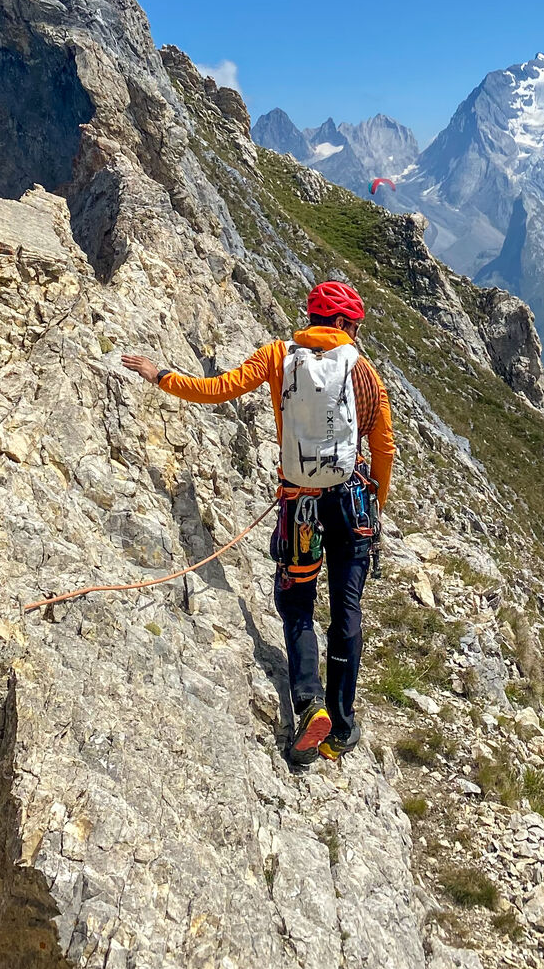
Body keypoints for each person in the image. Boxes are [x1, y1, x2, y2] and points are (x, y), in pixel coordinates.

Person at [122, 281, 394, 765]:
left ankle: (309, 704)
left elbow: (217, 389)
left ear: (311, 319)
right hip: (351, 503)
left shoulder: (277, 356)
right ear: (347, 325)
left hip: (300, 507)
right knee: (346, 606)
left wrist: (161, 374)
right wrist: (377, 507)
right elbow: (384, 450)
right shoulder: (366, 374)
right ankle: (342, 725)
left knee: (296, 602)